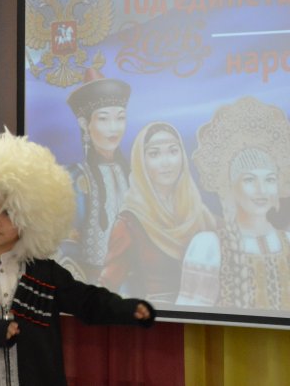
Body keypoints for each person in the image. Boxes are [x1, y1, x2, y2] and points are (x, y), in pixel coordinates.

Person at [0, 131, 155, 386]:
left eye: (7, 212)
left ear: (30, 217)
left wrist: (127, 309)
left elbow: (87, 301)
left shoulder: (46, 274)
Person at [178, 97, 290, 309]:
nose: (261, 190)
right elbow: (191, 315)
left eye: (269, 179)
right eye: (249, 180)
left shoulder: (287, 240)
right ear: (230, 186)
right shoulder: (210, 246)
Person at [99, 122, 216, 304]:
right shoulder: (130, 223)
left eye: (173, 151)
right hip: (156, 316)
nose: (166, 162)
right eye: (154, 154)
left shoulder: (200, 214)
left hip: (204, 317)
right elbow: (107, 285)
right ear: (141, 162)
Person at [62, 69, 131, 283]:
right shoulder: (76, 178)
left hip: (134, 283)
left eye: (120, 118)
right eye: (103, 119)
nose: (114, 128)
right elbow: (67, 244)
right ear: (85, 124)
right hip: (91, 285)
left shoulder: (133, 175)